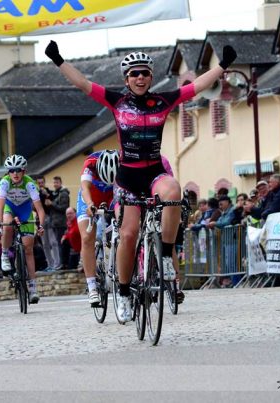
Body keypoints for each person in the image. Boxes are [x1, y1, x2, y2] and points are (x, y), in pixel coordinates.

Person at [45, 40, 237, 322]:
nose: (140, 78)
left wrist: (223, 66)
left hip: (154, 172)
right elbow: (84, 84)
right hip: (127, 177)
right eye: (134, 74)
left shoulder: (163, 101)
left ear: (151, 77)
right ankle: (123, 292)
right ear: (126, 79)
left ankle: (168, 256)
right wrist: (58, 60)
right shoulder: (117, 102)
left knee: (173, 190)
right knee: (128, 234)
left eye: (145, 73)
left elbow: (196, 87)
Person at [0, 154, 46, 304]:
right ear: (8, 172)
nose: (15, 174)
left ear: (24, 171)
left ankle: (32, 288)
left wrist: (41, 225)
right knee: (7, 224)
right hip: (10, 208)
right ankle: (5, 254)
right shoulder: (4, 182)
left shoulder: (30, 183)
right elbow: (0, 206)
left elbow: (40, 210)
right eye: (12, 170)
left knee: (28, 249)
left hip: (25, 210)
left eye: (18, 170)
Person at [76, 150, 117, 307]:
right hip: (89, 197)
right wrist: (89, 204)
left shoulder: (123, 162)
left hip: (111, 197)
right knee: (87, 238)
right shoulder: (90, 164)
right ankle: (92, 286)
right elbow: (85, 188)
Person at [46, 176, 70, 270]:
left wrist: (52, 204)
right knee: (58, 243)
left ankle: (62, 264)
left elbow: (64, 208)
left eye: (56, 182)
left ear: (60, 183)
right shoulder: (56, 194)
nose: (55, 184)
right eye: (54, 183)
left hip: (61, 223)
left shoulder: (63, 194)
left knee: (61, 244)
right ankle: (61, 263)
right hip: (55, 223)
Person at [36, 175, 58, 270]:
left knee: (53, 242)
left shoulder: (49, 192)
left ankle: (57, 263)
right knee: (45, 243)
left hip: (49, 218)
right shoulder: (35, 193)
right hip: (39, 219)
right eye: (39, 183)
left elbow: (53, 201)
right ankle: (50, 264)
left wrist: (47, 195)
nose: (41, 184)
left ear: (44, 182)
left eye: (42, 182)